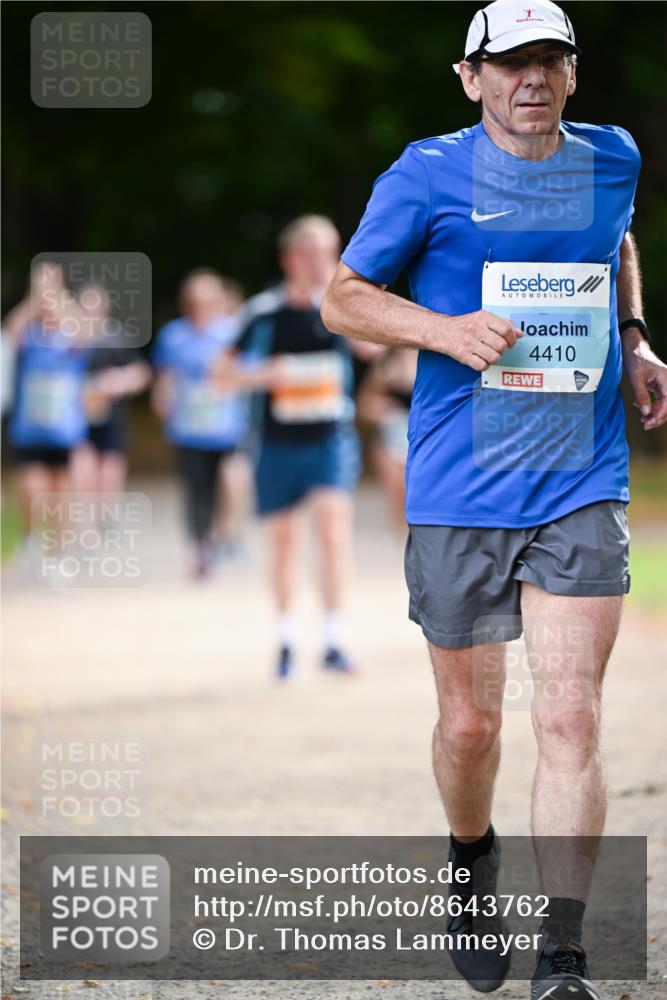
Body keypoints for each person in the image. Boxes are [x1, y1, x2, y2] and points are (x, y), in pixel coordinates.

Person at [321, 2, 667, 997]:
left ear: (572, 73)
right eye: (508, 63)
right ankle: (470, 859)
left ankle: (563, 956)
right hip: (459, 482)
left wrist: (634, 335)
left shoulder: (612, 156)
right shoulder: (427, 173)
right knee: (470, 727)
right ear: (469, 77)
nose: (531, 81)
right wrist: (441, 329)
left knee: (569, 719)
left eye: (548, 62)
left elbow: (619, 239)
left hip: (580, 474)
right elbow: (341, 298)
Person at [232, 215, 381, 679]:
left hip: (330, 440)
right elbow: (221, 374)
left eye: (331, 252)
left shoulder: (337, 308)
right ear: (291, 258)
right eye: (314, 253)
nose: (323, 261)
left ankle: (335, 639)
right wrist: (263, 374)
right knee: (283, 543)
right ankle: (285, 639)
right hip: (276, 443)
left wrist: (343, 300)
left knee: (333, 533)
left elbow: (373, 350)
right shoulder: (263, 312)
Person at [151, 269, 250, 577]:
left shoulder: (234, 332)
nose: (201, 305)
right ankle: (201, 544)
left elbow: (249, 373)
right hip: (189, 427)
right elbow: (165, 377)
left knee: (231, 479)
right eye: (195, 299)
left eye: (207, 299)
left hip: (229, 425)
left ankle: (230, 534)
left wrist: (228, 382)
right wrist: (162, 398)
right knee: (197, 489)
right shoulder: (173, 335)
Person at [4, 263, 90, 533]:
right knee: (30, 487)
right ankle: (30, 539)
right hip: (30, 426)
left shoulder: (70, 338)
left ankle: (59, 546)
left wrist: (56, 291)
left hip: (62, 427)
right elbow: (11, 330)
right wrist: (37, 293)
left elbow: (83, 329)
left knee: (60, 490)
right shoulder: (30, 336)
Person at [73, 283, 152, 495]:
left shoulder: (117, 337)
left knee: (110, 474)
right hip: (77, 418)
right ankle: (84, 522)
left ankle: (106, 519)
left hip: (112, 418)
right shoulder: (68, 338)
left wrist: (121, 381)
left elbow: (141, 373)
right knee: (83, 474)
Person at [357, 348, 417, 533]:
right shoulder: (385, 366)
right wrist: (383, 410)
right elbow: (363, 405)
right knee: (399, 490)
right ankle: (404, 540)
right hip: (394, 437)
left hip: (424, 437)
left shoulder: (435, 363)